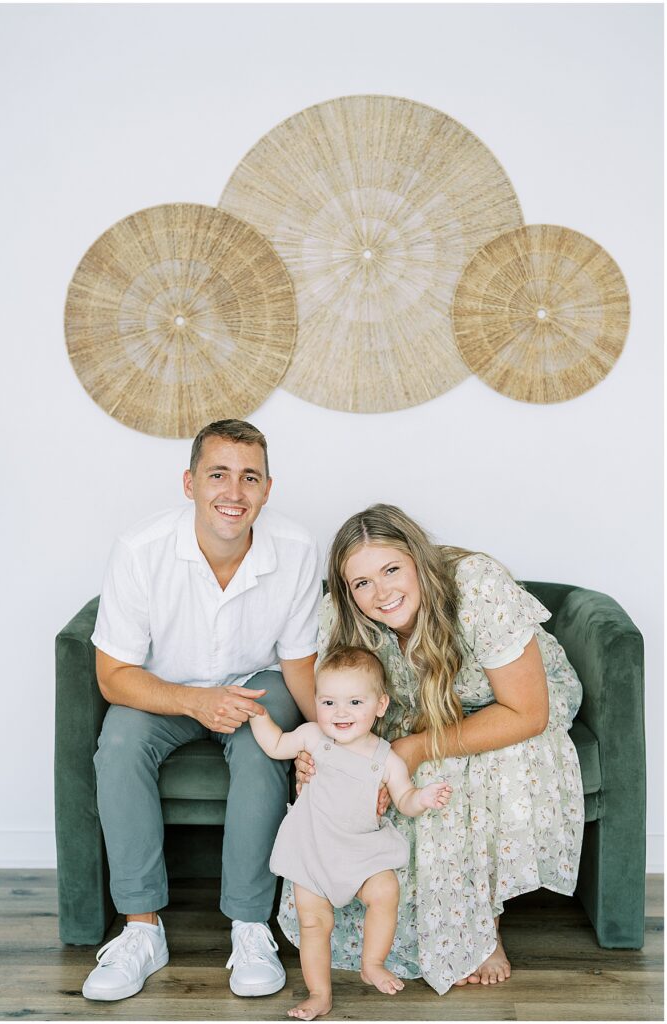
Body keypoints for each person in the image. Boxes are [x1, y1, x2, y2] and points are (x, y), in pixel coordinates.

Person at [284, 504, 584, 995]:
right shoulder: (342, 616)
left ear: (418, 560)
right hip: (419, 711)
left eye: (391, 570)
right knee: (368, 777)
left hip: (513, 704)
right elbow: (342, 707)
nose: (380, 594)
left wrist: (419, 747)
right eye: (361, 584)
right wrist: (318, 752)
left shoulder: (477, 587)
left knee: (458, 768)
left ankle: (481, 929)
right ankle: (411, 931)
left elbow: (529, 712)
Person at [81, 419, 321, 1002]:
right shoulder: (139, 551)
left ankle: (249, 925)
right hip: (164, 687)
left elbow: (298, 666)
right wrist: (195, 701)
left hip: (254, 687)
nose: (233, 493)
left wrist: (324, 740)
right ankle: (142, 929)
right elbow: (113, 677)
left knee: (265, 744)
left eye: (249, 478)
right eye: (218, 475)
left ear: (268, 488)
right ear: (189, 483)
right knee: (117, 744)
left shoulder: (297, 549)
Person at [248, 645, 452, 1021]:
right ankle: (319, 993)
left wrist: (422, 797)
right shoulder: (311, 737)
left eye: (355, 701)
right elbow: (276, 745)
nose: (340, 713)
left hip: (361, 851)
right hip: (313, 849)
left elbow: (403, 798)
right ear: (316, 702)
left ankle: (372, 963)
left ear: (380, 705)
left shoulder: (385, 756)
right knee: (314, 923)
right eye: (329, 702)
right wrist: (259, 716)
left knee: (385, 889)